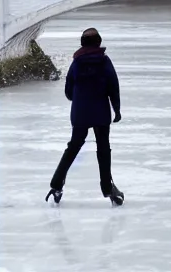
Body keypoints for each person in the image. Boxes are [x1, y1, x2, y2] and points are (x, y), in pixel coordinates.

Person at [46, 26, 125, 206]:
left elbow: (68, 91)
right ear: (99, 42)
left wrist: (79, 99)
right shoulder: (104, 62)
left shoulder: (77, 63)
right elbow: (113, 86)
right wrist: (117, 109)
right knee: (103, 148)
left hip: (80, 112)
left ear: (82, 44)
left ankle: (57, 184)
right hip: (101, 112)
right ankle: (108, 188)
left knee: (73, 146)